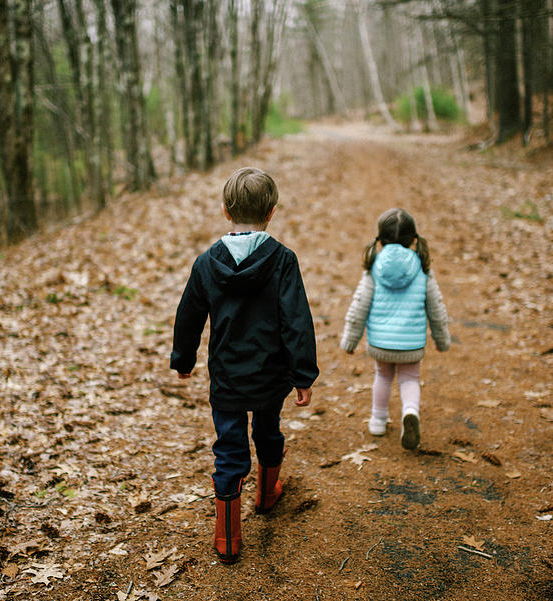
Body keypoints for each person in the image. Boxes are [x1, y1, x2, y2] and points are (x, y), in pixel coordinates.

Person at [170, 167, 318, 564]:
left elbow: (189, 315)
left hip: (228, 378)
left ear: (224, 210)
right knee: (268, 431)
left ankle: (228, 539)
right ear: (272, 211)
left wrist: (183, 359)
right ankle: (268, 494)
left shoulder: (207, 263)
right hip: (271, 375)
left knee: (230, 449)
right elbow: (297, 319)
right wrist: (302, 373)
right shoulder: (283, 260)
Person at [340, 208, 450, 450]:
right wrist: (442, 340)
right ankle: (410, 412)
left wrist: (350, 340)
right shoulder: (422, 269)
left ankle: (378, 420)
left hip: (380, 343)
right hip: (411, 344)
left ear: (379, 241)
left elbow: (359, 306)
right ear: (413, 240)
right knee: (410, 378)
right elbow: (437, 308)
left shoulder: (374, 268)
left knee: (383, 375)